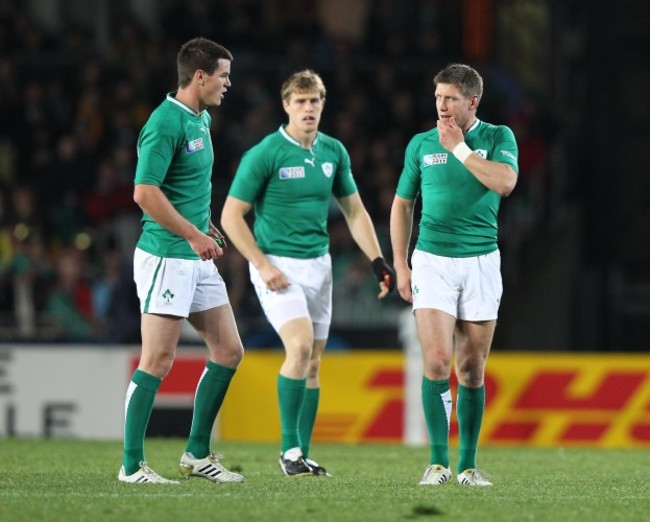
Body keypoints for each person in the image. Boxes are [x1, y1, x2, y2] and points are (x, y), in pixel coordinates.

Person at [221, 69, 395, 477]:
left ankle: (301, 453)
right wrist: (262, 265)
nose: (308, 108)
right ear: (286, 106)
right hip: (278, 266)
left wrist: (377, 261)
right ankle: (288, 450)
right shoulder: (265, 153)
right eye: (300, 102)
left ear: (323, 104)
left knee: (314, 364)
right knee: (299, 348)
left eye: (314, 101)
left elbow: (354, 210)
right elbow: (231, 216)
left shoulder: (333, 152)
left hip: (320, 266)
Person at [119, 37, 245, 485]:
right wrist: (192, 234)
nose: (228, 84)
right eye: (224, 76)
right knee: (157, 358)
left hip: (195, 251)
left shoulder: (201, 119)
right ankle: (131, 465)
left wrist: (204, 222)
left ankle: (195, 454)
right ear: (200, 76)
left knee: (229, 351)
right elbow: (145, 192)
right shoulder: (164, 122)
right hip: (167, 256)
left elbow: (183, 185)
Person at [390, 63, 518, 487]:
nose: (441, 106)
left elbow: (504, 183)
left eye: (450, 99)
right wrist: (402, 262)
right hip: (432, 260)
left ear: (473, 102)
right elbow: (402, 204)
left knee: (471, 370)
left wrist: (461, 149)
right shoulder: (421, 144)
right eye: (438, 97)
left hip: (481, 261)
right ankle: (438, 463)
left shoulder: (498, 137)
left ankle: (468, 466)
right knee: (438, 361)